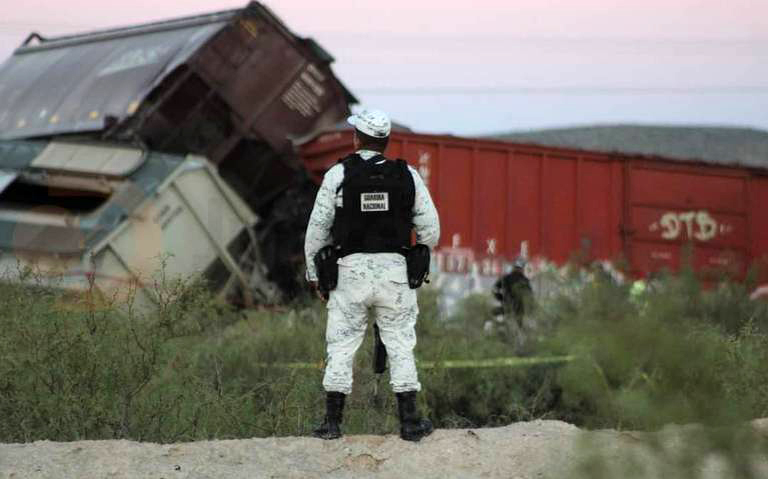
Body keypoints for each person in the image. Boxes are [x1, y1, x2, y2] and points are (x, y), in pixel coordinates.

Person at [304, 108, 440, 442]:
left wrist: (314, 274)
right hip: (395, 275)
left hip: (349, 274)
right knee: (400, 344)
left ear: (356, 139)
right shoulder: (407, 175)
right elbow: (430, 229)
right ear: (386, 141)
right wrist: (418, 253)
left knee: (341, 345)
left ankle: (332, 424)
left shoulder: (338, 175)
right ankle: (410, 424)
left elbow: (317, 229)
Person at [492, 257, 533, 327]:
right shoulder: (525, 281)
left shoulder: (506, 278)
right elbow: (530, 296)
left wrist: (501, 298)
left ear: (514, 267)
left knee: (493, 315)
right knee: (519, 327)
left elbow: (495, 289)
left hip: (507, 307)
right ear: (522, 268)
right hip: (519, 311)